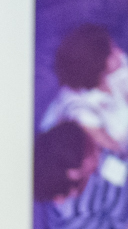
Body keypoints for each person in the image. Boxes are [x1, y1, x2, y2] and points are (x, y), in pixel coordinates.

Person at [41, 22, 128, 152]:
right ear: (96, 66)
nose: (120, 52)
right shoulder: (79, 110)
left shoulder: (118, 65)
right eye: (112, 51)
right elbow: (115, 150)